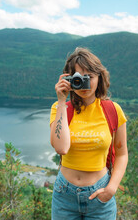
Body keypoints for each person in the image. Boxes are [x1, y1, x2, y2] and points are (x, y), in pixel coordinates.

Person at [49, 47, 128, 219]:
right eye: (78, 78)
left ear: (99, 77)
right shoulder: (59, 109)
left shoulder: (113, 110)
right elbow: (61, 148)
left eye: (89, 77)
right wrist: (62, 101)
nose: (84, 83)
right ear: (69, 80)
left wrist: (112, 188)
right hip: (65, 195)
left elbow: (122, 154)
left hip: (100, 196)